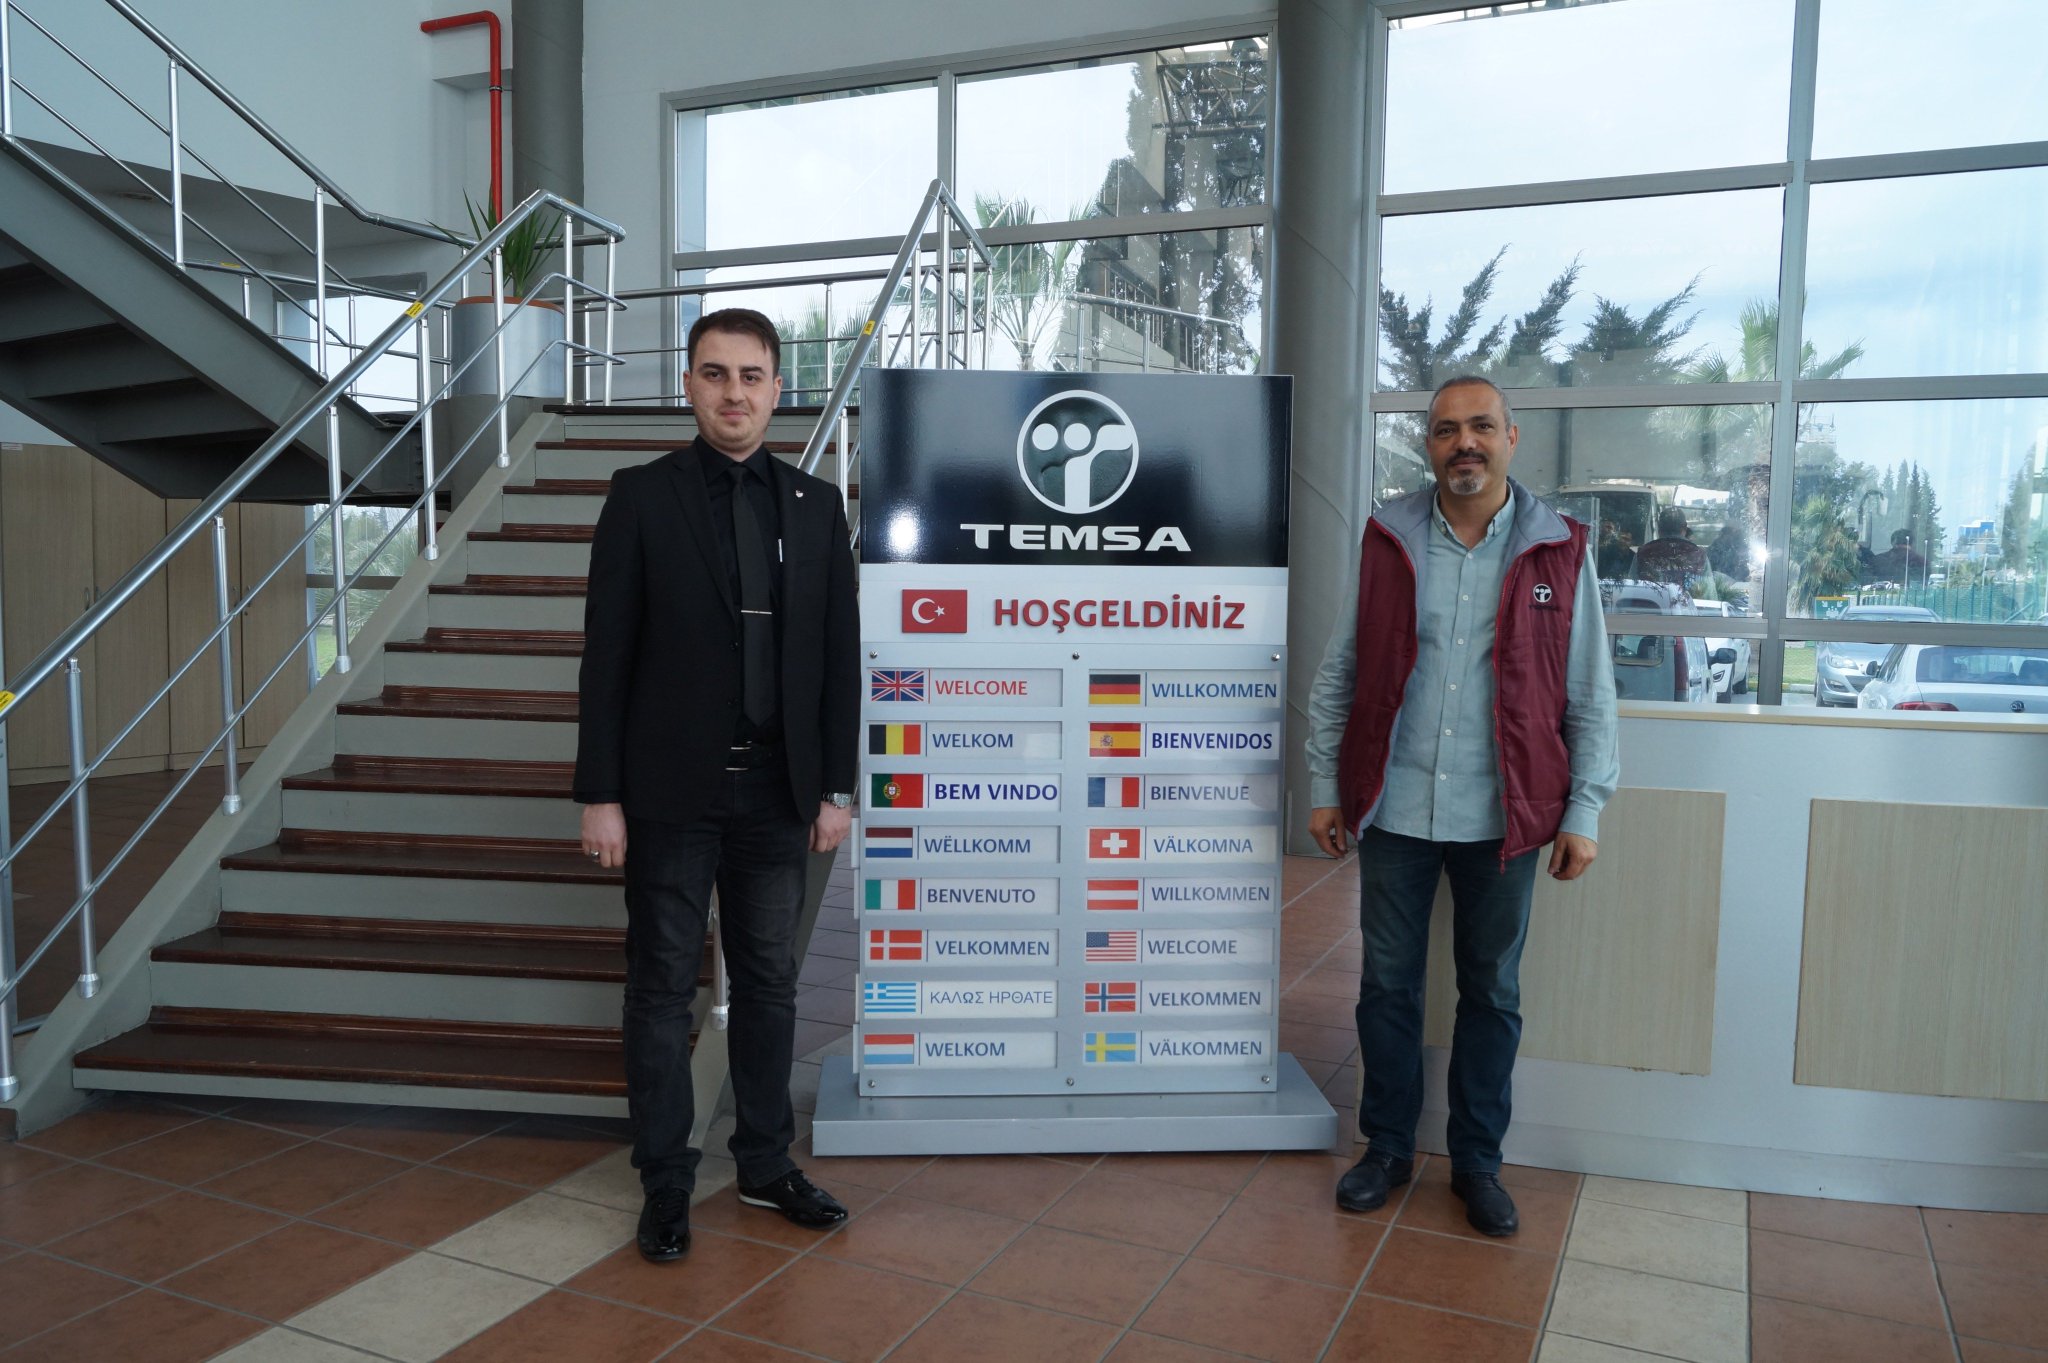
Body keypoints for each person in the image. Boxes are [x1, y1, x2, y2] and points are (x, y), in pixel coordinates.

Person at [575, 307, 859, 1263]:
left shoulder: (817, 507)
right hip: (668, 795)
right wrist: (601, 793)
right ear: (689, 384)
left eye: (750, 375)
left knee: (771, 983)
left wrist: (836, 789)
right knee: (661, 988)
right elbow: (607, 656)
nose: (733, 392)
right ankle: (665, 1178)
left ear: (777, 388)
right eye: (714, 373)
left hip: (779, 794)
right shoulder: (639, 497)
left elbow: (838, 660)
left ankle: (766, 1163)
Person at [1305, 375, 1619, 1238]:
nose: (1464, 443)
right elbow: (1341, 669)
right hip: (1396, 807)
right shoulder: (1390, 536)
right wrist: (1326, 785)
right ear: (1429, 446)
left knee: (1491, 991)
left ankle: (1478, 1160)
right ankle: (1387, 1147)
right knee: (1386, 986)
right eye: (1446, 430)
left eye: (1481, 426)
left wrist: (1584, 809)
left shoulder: (1559, 548)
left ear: (1512, 438)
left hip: (1506, 818)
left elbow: (1589, 691)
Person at [1633, 507, 1710, 588]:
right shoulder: (1699, 555)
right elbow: (1708, 592)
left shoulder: (1642, 554)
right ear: (1685, 527)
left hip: (1650, 596)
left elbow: (1632, 588)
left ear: (1659, 527)